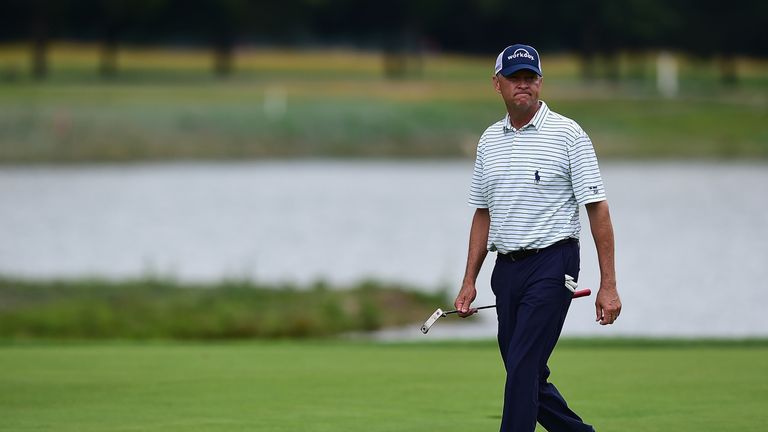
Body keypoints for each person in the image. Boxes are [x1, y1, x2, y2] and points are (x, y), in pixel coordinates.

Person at [453, 44, 622, 432]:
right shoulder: (488, 141)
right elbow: (482, 214)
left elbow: (598, 210)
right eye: (515, 79)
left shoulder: (569, 134)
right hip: (506, 269)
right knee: (523, 372)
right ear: (497, 84)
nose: (523, 85)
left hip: (554, 263)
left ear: (541, 83)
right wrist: (469, 281)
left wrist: (609, 285)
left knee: (524, 365)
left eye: (531, 78)